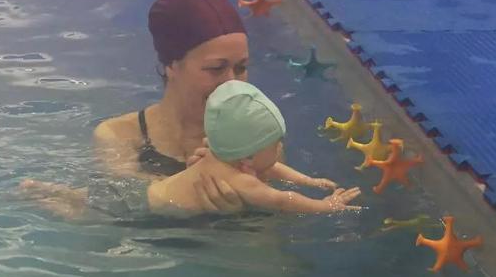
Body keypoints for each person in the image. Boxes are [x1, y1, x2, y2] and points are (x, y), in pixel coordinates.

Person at [22, 0, 252, 218]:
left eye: (241, 68)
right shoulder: (121, 136)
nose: (231, 83)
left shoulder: (254, 137)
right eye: (215, 68)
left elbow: (267, 238)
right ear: (171, 65)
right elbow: (121, 211)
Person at [152, 80, 361, 215]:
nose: (280, 146)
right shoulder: (241, 181)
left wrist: (308, 181)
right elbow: (283, 200)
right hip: (162, 214)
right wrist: (325, 206)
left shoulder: (221, 155)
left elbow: (270, 166)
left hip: (155, 191)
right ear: (249, 157)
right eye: (275, 144)